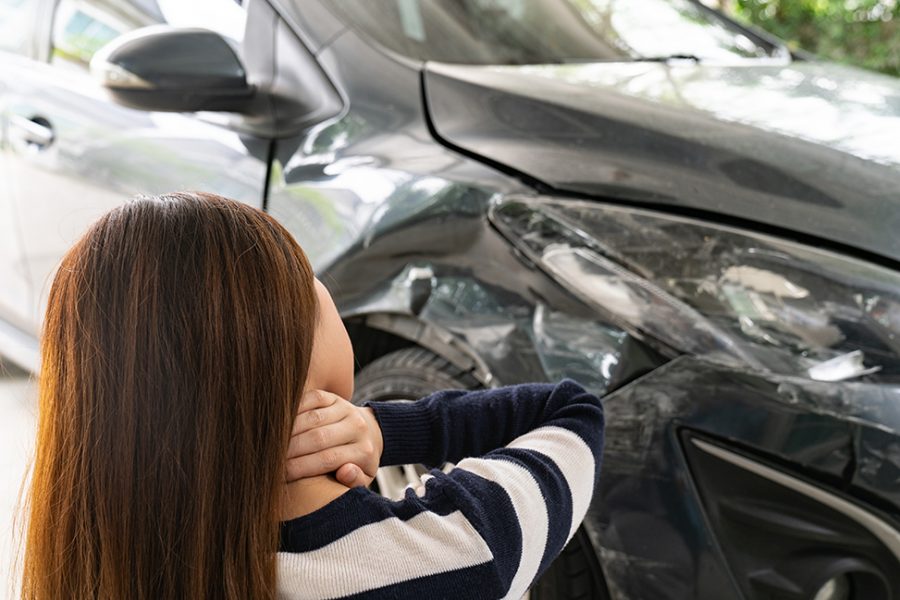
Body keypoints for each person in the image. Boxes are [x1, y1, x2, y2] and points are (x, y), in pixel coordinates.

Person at [21, 193, 604, 599]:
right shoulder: (459, 550)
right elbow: (571, 412)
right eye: (314, 283)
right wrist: (385, 430)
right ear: (295, 343)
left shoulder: (96, 570)